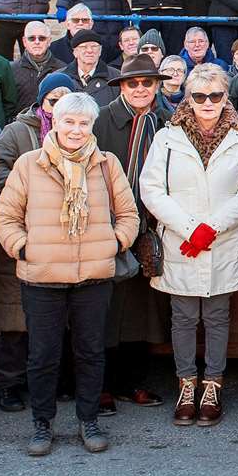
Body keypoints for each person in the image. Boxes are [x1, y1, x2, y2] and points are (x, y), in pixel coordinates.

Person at [0, 92, 139, 457]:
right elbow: (6, 218)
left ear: (92, 127)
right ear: (54, 122)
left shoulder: (107, 165)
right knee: (43, 355)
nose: (76, 130)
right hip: (42, 277)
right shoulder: (29, 164)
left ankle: (88, 419)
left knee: (90, 352)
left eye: (83, 123)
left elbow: (129, 215)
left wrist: (114, 243)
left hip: (93, 276)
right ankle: (42, 424)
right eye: (69, 122)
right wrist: (25, 248)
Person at [139, 62, 238, 428]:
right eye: (199, 96)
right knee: (182, 316)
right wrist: (190, 228)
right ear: (188, 98)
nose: (207, 102)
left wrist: (212, 228)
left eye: (215, 95)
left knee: (216, 316)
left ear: (226, 97)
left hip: (222, 241)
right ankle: (185, 384)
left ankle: (212, 385)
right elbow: (152, 189)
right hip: (181, 240)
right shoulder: (167, 137)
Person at [0, 71, 78, 414]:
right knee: (15, 319)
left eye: (65, 101)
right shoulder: (17, 131)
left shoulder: (79, 133)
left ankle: (54, 382)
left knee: (56, 319)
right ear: (42, 102)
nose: (58, 108)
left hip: (64, 239)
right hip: (25, 232)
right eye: (52, 100)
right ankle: (9, 383)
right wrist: (32, 190)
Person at [93, 56, 172, 407]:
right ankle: (103, 384)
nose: (140, 89)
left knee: (143, 307)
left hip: (151, 224)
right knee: (106, 307)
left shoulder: (167, 120)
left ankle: (133, 380)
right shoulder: (101, 119)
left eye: (147, 83)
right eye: (132, 84)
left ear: (156, 86)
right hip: (108, 222)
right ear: (122, 86)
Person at [11, 20, 67, 112]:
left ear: (49, 41)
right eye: (31, 38)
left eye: (42, 38)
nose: (37, 42)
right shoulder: (12, 70)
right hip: (22, 123)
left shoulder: (62, 69)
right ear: (24, 42)